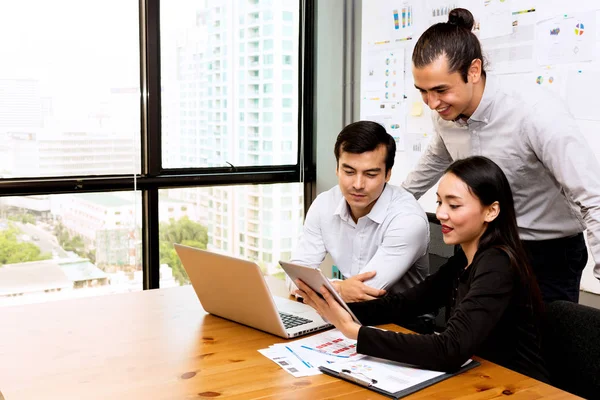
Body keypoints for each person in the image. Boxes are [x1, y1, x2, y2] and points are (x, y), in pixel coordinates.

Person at [402, 8, 600, 303]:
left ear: (473, 71)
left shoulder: (536, 114)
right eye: (423, 92)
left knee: (544, 346)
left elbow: (592, 199)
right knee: (474, 343)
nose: (431, 103)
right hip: (482, 246)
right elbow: (435, 158)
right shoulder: (445, 113)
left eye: (440, 90)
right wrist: (389, 204)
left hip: (546, 254)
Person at [296, 156, 550, 382]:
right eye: (440, 203)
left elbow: (450, 349)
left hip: (517, 386)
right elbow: (402, 304)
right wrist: (336, 307)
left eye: (454, 205)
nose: (441, 214)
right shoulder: (464, 259)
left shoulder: (498, 265)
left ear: (491, 211)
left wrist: (355, 332)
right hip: (476, 377)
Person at [286, 120, 429, 302]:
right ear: (337, 169)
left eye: (370, 174)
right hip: (343, 311)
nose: (358, 185)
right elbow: (296, 274)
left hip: (402, 323)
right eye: (349, 172)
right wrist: (341, 288)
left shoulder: (408, 220)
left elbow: (365, 293)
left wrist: (327, 287)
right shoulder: (324, 204)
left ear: (388, 174)